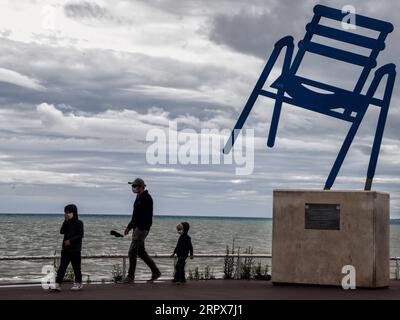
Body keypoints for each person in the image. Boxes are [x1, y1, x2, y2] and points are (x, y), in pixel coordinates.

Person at [121, 178, 161, 283]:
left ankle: (130, 276)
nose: (133, 188)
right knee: (141, 252)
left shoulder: (146, 198)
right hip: (137, 228)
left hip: (141, 229)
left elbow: (146, 217)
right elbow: (135, 215)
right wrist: (129, 227)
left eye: (134, 186)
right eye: (132, 186)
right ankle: (156, 272)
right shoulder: (139, 197)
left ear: (141, 187)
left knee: (132, 251)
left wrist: (141, 228)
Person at [52, 204, 84, 291]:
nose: (66, 214)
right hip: (66, 249)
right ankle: (57, 284)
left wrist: (70, 241)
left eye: (68, 212)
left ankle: (78, 283)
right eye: (65, 212)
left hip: (76, 250)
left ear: (73, 212)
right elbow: (62, 231)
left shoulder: (79, 223)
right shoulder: (67, 222)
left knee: (76, 267)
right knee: (62, 267)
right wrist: (65, 221)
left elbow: (80, 235)